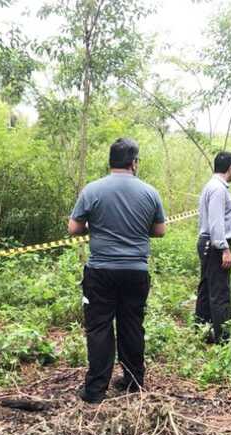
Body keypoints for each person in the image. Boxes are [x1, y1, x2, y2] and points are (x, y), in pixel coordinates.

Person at [68, 138, 166, 404]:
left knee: (99, 327)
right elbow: (160, 230)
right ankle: (134, 382)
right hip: (136, 271)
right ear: (133, 162)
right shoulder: (149, 192)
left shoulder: (93, 190)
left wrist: (96, 228)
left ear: (110, 161)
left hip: (101, 270)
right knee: (132, 325)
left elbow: (74, 228)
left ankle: (96, 390)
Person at [195, 151, 231, 343]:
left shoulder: (213, 186)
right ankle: (222, 340)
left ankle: (202, 332)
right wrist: (224, 248)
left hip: (209, 243)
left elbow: (215, 219)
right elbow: (215, 222)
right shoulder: (218, 189)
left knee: (207, 289)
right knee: (219, 292)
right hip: (215, 246)